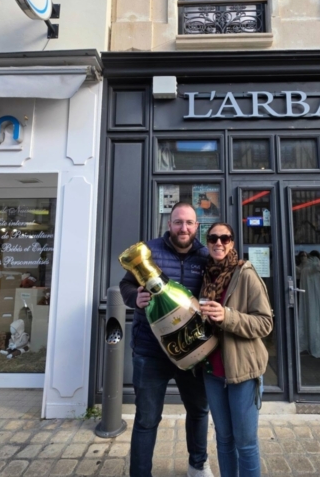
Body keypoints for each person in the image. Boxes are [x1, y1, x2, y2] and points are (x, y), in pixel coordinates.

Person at [119, 202, 213, 477]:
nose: (183, 228)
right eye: (178, 222)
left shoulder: (205, 257)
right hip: (150, 353)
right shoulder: (148, 252)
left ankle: (197, 465)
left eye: (189, 223)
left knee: (199, 411)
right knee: (147, 419)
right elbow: (125, 285)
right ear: (169, 224)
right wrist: (134, 298)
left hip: (192, 351)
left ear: (196, 226)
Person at [199, 223, 273, 477]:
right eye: (213, 238)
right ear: (207, 242)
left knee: (246, 442)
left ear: (232, 243)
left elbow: (265, 323)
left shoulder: (245, 274)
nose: (218, 243)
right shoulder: (206, 275)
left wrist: (227, 316)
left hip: (243, 371)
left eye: (225, 238)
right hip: (213, 371)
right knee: (224, 439)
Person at [296, 251, 320, 358]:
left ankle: (316, 344)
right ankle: (308, 343)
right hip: (306, 293)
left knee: (314, 314)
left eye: (304, 255)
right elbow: (298, 270)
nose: (302, 257)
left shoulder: (313, 262)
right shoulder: (302, 266)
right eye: (301, 256)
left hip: (312, 292)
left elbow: (318, 267)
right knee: (307, 314)